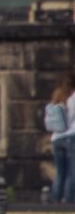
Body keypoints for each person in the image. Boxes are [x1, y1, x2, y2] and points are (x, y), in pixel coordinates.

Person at [46, 73, 75, 203]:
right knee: (71, 171)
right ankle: (68, 199)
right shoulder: (72, 98)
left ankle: (56, 199)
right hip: (70, 137)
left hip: (56, 138)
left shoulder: (56, 96)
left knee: (60, 172)